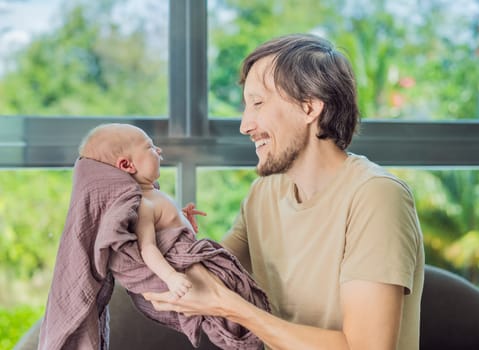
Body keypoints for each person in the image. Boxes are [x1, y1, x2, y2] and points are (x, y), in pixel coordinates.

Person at [143, 33, 425, 350]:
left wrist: (231, 307)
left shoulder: (377, 197)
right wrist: (167, 228)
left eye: (258, 103)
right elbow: (212, 276)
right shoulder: (263, 194)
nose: (245, 125)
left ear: (309, 108)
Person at [79, 123, 207, 300]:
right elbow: (147, 247)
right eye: (150, 146)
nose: (159, 150)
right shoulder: (143, 205)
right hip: (187, 275)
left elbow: (168, 231)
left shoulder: (153, 194)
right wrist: (171, 277)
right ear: (127, 165)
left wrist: (182, 218)